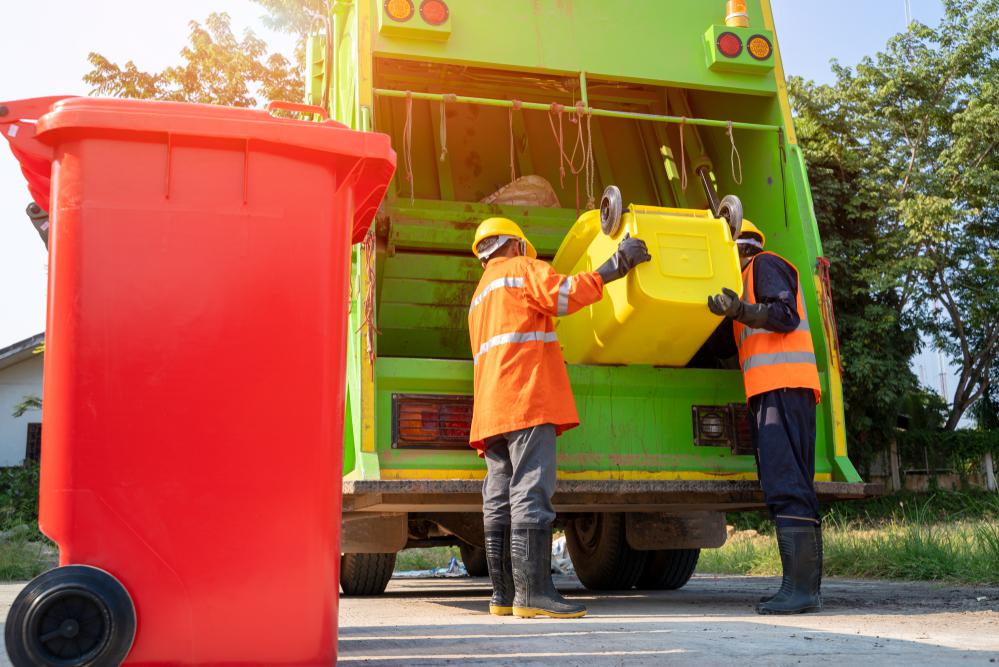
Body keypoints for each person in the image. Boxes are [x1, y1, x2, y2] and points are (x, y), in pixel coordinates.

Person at [468, 217, 650, 619]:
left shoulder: (480, 296)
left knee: (498, 496)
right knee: (531, 490)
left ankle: (503, 595)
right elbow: (564, 296)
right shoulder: (522, 269)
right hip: (527, 397)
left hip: (492, 410)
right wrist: (616, 265)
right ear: (515, 245)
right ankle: (533, 595)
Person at [707, 221, 823, 615]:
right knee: (788, 483)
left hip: (783, 387)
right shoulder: (743, 282)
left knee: (786, 482)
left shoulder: (764, 265)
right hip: (777, 389)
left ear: (738, 248)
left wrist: (741, 309)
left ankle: (800, 590)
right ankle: (803, 589)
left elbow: (785, 315)